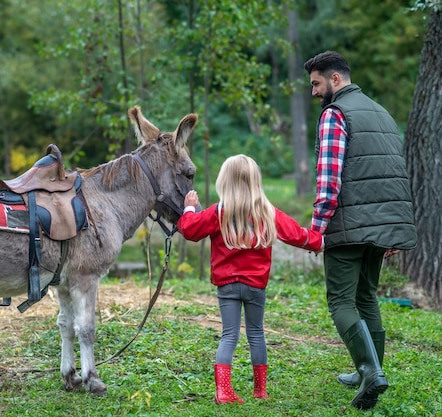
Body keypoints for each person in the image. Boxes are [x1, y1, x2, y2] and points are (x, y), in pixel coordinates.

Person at [303, 50, 417, 410]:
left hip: (348, 226)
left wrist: (317, 229)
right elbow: (394, 175)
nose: (314, 93)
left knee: (341, 301)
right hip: (380, 224)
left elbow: (328, 180)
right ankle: (370, 368)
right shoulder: (382, 113)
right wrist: (392, 228)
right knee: (366, 296)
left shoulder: (335, 115)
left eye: (316, 84)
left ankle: (371, 372)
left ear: (335, 79)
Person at [177, 154, 324, 405]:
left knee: (229, 335)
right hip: (256, 286)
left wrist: (190, 207)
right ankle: (260, 390)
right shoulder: (268, 213)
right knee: (256, 334)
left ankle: (224, 391)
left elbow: (189, 229)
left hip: (227, 285)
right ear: (256, 182)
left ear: (225, 182)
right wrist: (321, 242)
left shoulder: (218, 212)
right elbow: (297, 235)